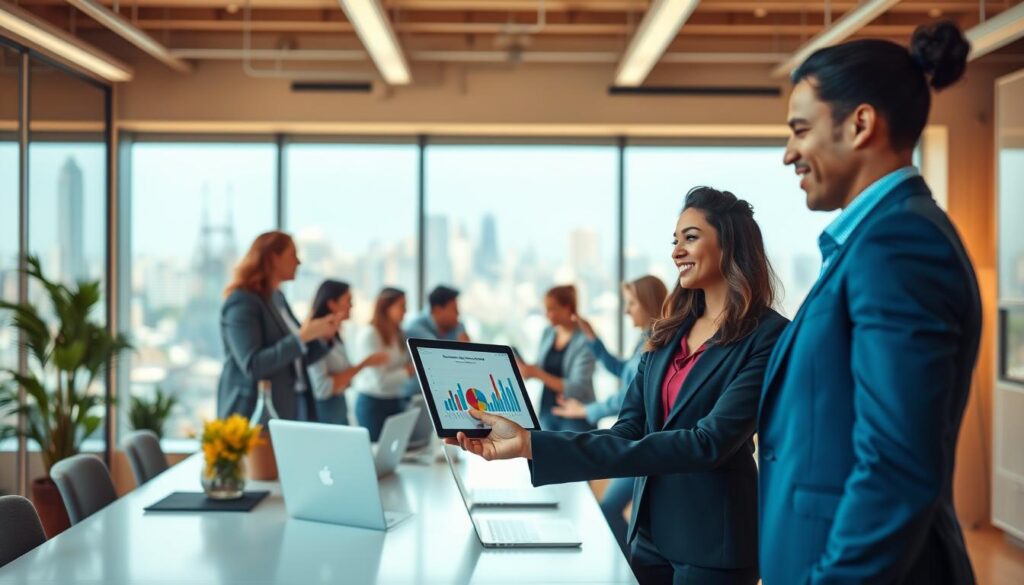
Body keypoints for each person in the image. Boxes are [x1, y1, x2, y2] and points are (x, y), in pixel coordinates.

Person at [450, 187, 788, 585]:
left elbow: (707, 443)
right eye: (675, 240)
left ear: (729, 243)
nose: (677, 251)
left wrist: (532, 444)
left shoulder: (768, 336)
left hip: (713, 543)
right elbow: (629, 429)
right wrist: (531, 443)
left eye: (691, 238)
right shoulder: (667, 334)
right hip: (648, 535)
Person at [759, 21, 980, 584]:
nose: (789, 154)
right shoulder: (875, 240)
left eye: (800, 130)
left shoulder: (899, 245)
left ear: (859, 125)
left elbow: (897, 463)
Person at [552, 275, 668, 555]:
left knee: (611, 509)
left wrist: (586, 410)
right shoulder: (644, 340)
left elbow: (627, 396)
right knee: (620, 513)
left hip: (645, 445)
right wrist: (595, 343)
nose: (627, 310)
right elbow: (623, 372)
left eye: (631, 303)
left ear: (648, 304)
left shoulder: (656, 344)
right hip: (643, 445)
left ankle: (629, 567)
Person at [217, 231, 339, 422]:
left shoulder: (277, 298)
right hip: (253, 416)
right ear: (274, 258)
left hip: (291, 405)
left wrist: (323, 336)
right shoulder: (242, 301)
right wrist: (302, 337)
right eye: (293, 255)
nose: (299, 262)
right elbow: (253, 365)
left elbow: (297, 358)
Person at [307, 280, 390, 425]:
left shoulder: (336, 336)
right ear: (332, 303)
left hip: (339, 409)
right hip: (324, 415)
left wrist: (339, 378)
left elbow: (346, 380)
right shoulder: (315, 338)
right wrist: (364, 364)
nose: (352, 306)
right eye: (348, 300)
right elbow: (323, 388)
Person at [518, 285, 596, 432]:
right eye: (546, 309)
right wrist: (528, 370)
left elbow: (577, 387)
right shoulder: (548, 333)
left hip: (575, 415)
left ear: (566, 308)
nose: (547, 314)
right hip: (548, 411)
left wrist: (537, 374)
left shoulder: (585, 340)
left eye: (551, 309)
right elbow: (543, 366)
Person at [352, 287, 414, 441]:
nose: (405, 311)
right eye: (402, 306)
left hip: (394, 400)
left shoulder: (398, 333)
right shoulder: (370, 334)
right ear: (386, 307)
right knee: (375, 453)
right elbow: (380, 382)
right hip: (373, 404)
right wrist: (407, 371)